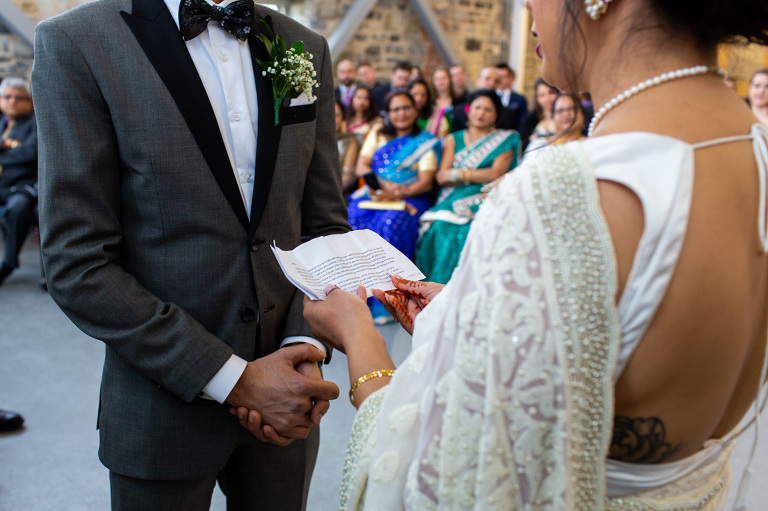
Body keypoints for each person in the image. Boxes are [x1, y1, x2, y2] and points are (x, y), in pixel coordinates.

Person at [237, 0, 768, 508]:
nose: (529, 10)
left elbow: (444, 488)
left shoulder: (564, 193)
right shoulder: (752, 144)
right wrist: (459, 316)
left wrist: (360, 338)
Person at [32, 2, 347, 509]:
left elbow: (324, 228)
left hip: (289, 408)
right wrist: (235, 379)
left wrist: (304, 346)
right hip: (163, 411)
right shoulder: (77, 42)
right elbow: (78, 263)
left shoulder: (304, 45)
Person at [346, 90, 438, 322]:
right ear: (388, 113)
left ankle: (388, 299)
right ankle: (355, 295)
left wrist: (399, 191)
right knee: (352, 215)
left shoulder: (425, 141)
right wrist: (379, 188)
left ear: (416, 110)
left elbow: (426, 180)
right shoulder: (378, 133)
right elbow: (362, 167)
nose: (401, 113)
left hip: (409, 197)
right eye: (395, 109)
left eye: (406, 108)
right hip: (376, 193)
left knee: (391, 221)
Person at [416, 89, 519, 284]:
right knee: (438, 228)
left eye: (488, 109)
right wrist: (471, 175)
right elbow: (442, 177)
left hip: (487, 196)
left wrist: (458, 174)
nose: (481, 113)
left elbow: (496, 173)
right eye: (477, 107)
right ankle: (430, 293)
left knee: (471, 231)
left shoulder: (506, 139)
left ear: (496, 114)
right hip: (451, 198)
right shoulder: (453, 139)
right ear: (468, 110)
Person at [0, 77, 38, 287]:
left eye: (19, 97)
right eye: (7, 97)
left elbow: (30, 153)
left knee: (18, 207)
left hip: (23, 187)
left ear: (29, 101)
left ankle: (9, 263)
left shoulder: (35, 122)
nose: (12, 101)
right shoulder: (2, 122)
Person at [525, 92, 586, 156]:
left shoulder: (590, 144)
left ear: (582, 113)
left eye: (571, 109)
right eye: (560, 110)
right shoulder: (540, 146)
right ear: (553, 117)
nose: (566, 114)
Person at [519, 76, 559, 149]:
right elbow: (522, 144)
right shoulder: (530, 119)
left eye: (551, 93)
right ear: (537, 98)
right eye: (542, 95)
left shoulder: (565, 116)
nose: (547, 99)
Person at [335, 99, 361, 198]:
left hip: (338, 195)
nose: (332, 118)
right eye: (327, 114)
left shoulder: (350, 140)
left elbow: (348, 177)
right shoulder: (316, 139)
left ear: (343, 118)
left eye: (336, 115)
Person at [494, 62, 528, 131]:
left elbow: (522, 123)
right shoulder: (489, 98)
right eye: (497, 77)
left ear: (511, 79)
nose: (499, 80)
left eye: (503, 77)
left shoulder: (520, 100)